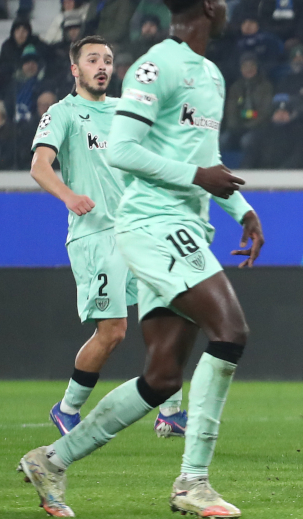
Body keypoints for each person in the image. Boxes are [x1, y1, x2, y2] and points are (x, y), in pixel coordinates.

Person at [17, 0, 265, 519]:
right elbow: (124, 152)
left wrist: (241, 209)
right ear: (208, 4)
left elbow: (207, 159)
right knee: (230, 332)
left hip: (186, 225)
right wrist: (198, 178)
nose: (227, 7)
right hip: (152, 224)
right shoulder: (158, 66)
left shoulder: (211, 74)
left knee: (160, 377)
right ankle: (193, 482)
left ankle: (52, 459)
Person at [30, 34, 187, 438]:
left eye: (108, 60)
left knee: (173, 308)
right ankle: (67, 409)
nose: (102, 66)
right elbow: (40, 166)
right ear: (75, 69)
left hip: (136, 230)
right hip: (95, 236)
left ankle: (170, 411)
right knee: (113, 331)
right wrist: (69, 195)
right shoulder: (62, 113)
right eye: (93, 59)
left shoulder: (123, 112)